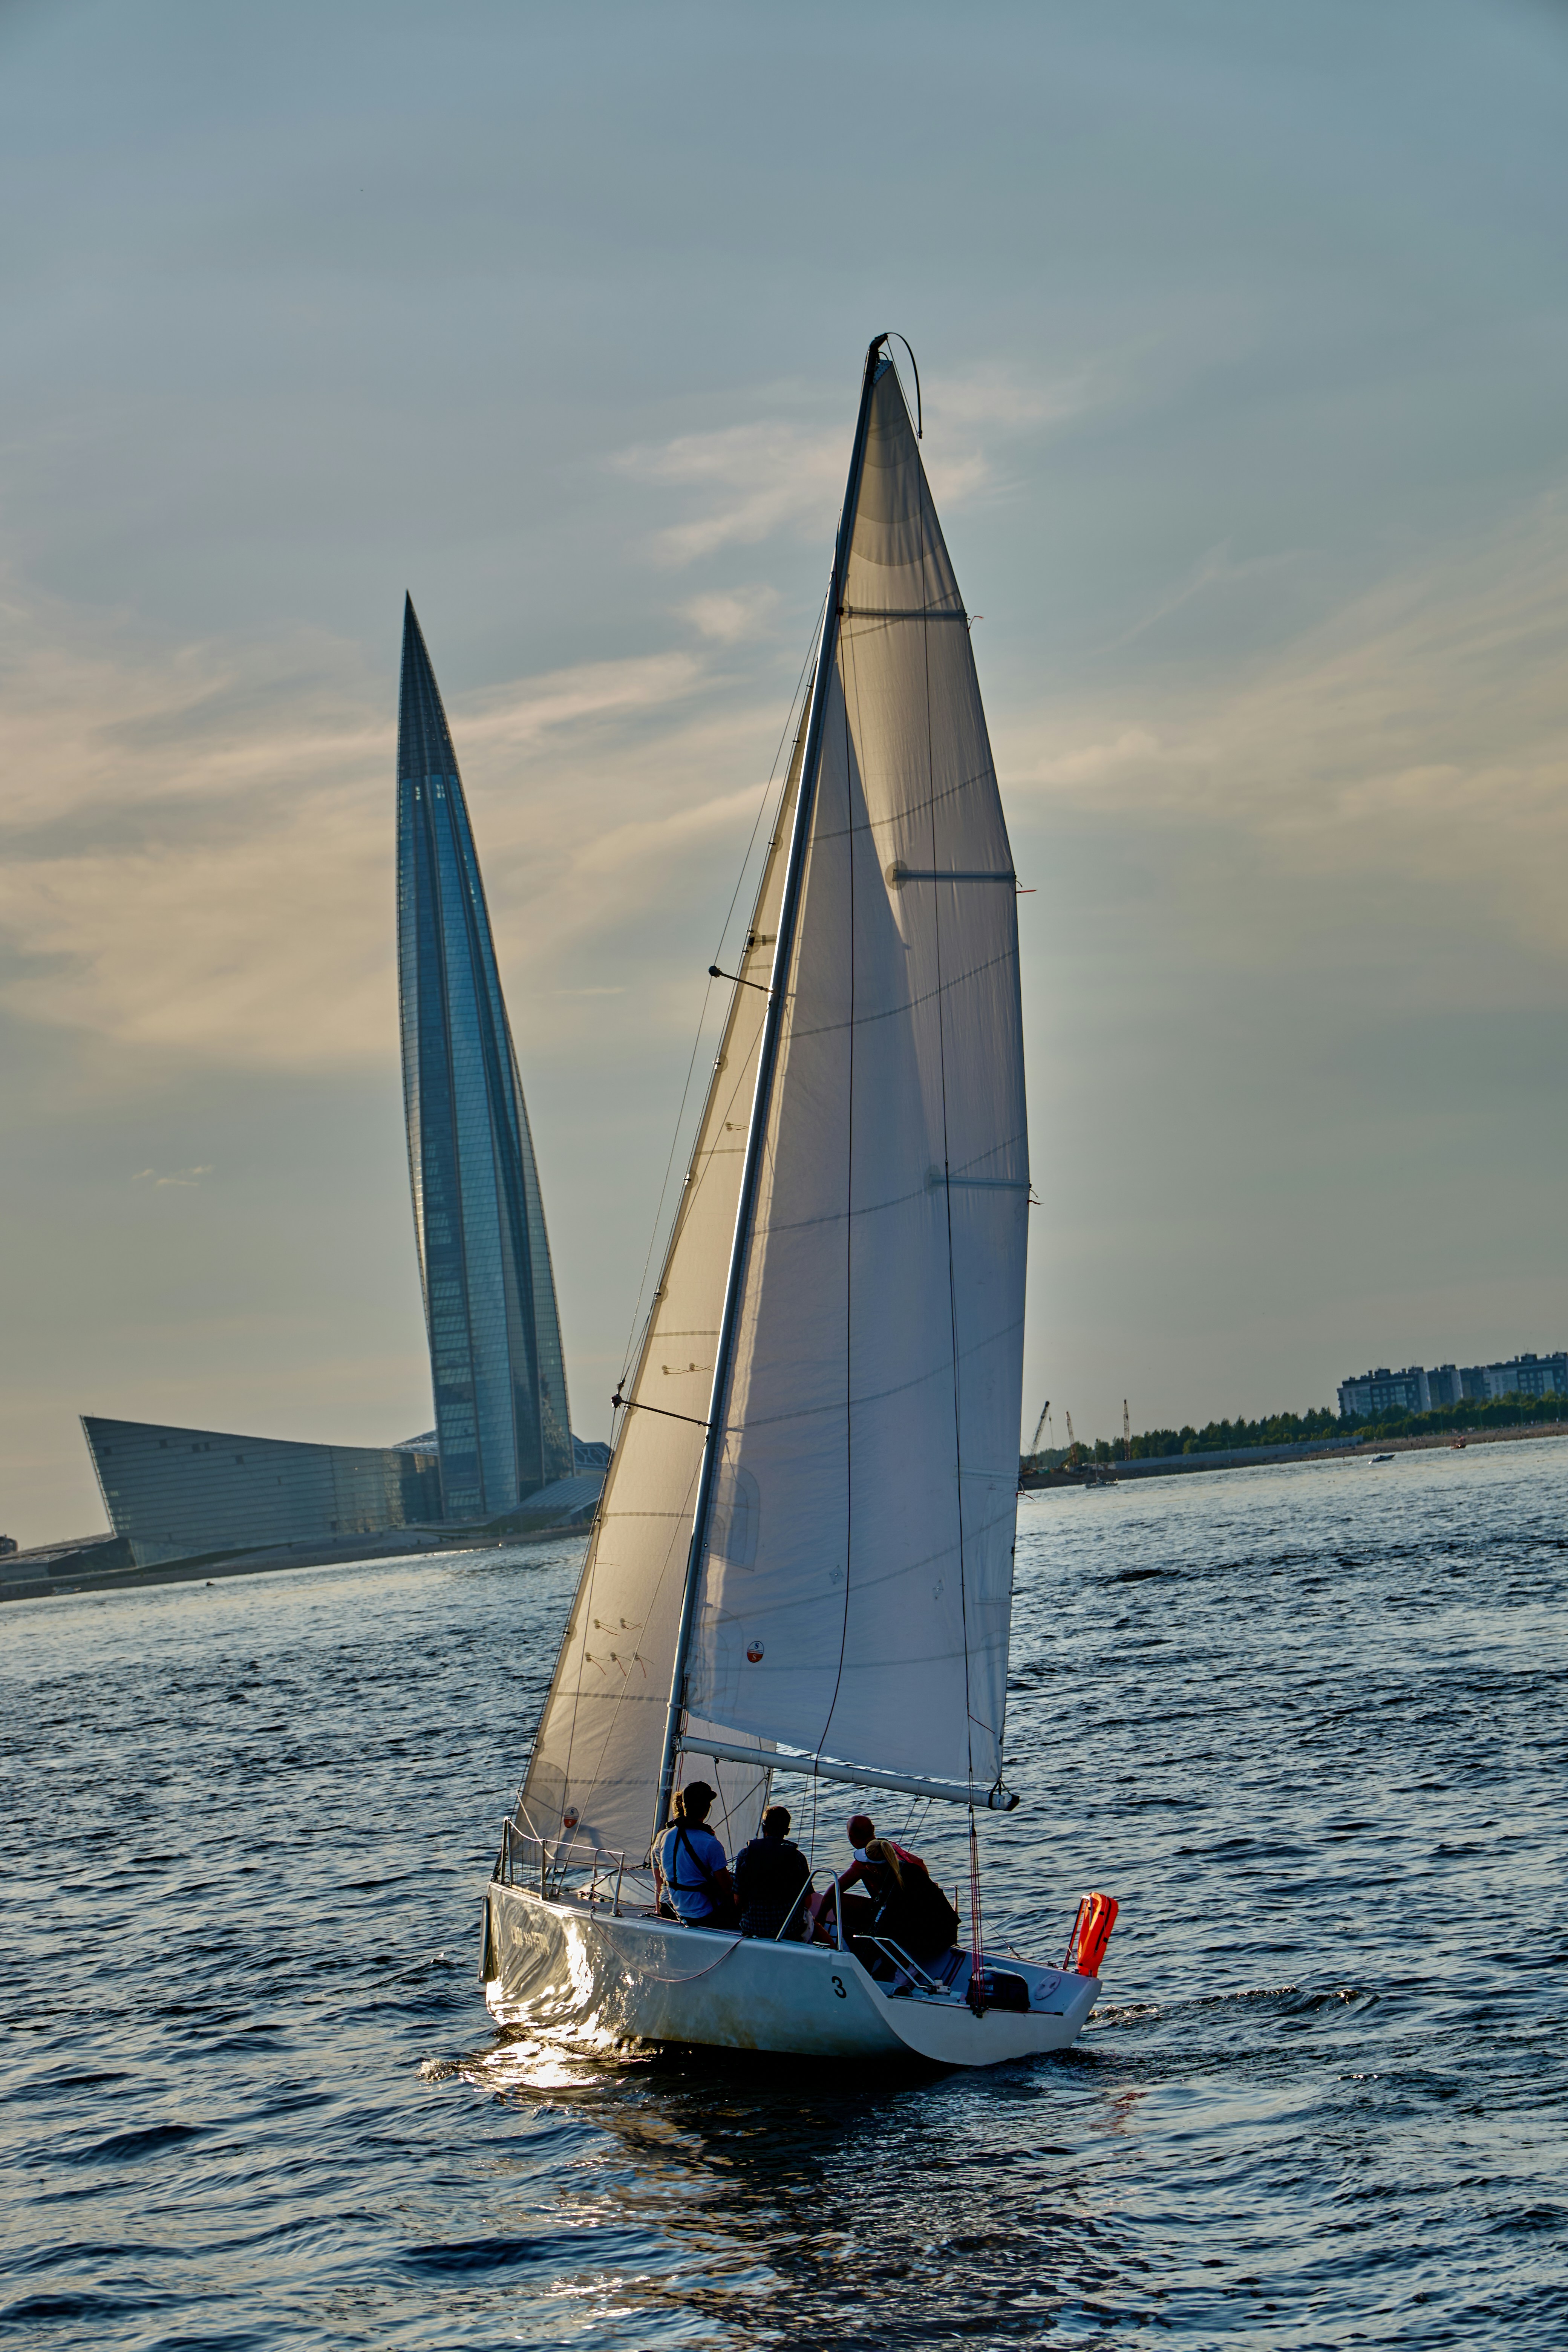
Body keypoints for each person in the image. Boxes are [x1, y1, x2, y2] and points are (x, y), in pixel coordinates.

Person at [858, 1837, 961, 1972]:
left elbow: (883, 1925)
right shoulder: (912, 1870)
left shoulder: (890, 1888)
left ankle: (904, 1967)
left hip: (932, 1943)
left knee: (876, 1934)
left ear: (873, 1868)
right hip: (949, 1934)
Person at [657, 1781, 735, 1929]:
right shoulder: (710, 1843)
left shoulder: (666, 1837)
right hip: (706, 1915)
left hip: (679, 1910)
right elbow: (727, 1889)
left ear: (684, 1807)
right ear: (707, 1809)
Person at [733, 1805, 812, 1940]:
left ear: (764, 1828)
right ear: (787, 1831)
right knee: (810, 1920)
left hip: (753, 1928)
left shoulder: (745, 1855)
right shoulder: (798, 1858)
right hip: (788, 1929)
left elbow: (738, 1901)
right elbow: (807, 1902)